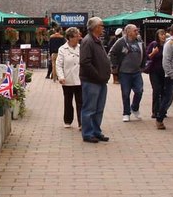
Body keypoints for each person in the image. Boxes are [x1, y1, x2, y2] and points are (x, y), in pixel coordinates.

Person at [78, 16, 111, 144]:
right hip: (92, 81)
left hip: (100, 81)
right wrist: (97, 75)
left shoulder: (96, 40)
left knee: (98, 109)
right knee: (89, 108)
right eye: (102, 26)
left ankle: (96, 131)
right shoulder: (88, 41)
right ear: (96, 27)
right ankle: (88, 133)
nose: (103, 28)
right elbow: (85, 62)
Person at [109, 24, 144, 122]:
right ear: (128, 32)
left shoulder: (139, 41)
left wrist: (143, 65)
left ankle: (135, 107)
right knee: (125, 93)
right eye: (135, 31)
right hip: (124, 72)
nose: (137, 32)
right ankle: (126, 112)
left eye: (137, 30)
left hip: (136, 71)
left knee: (139, 91)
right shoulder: (121, 42)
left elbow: (143, 53)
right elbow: (112, 53)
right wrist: (114, 66)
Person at [55, 27, 83, 127]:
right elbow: (58, 64)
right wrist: (61, 77)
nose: (79, 38)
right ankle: (68, 120)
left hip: (80, 79)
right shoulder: (62, 49)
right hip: (67, 79)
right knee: (68, 101)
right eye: (76, 36)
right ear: (70, 38)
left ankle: (81, 122)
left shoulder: (81, 48)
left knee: (80, 102)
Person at [144, 28, 169, 122]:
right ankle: (155, 111)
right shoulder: (154, 44)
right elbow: (147, 56)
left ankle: (162, 111)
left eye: (164, 34)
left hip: (165, 71)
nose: (163, 36)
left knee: (164, 91)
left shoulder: (167, 45)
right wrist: (153, 53)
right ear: (157, 36)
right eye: (161, 34)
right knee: (156, 90)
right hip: (154, 71)